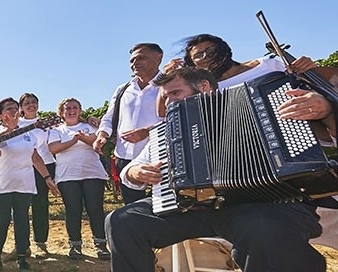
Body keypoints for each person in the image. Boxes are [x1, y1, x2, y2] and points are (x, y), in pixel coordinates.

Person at [105, 67, 332, 271]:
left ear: (203, 87)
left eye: (175, 93)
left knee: (263, 228)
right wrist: (134, 172)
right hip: (193, 208)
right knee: (122, 221)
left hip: (268, 203)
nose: (169, 103)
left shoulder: (270, 100)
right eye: (165, 98)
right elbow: (133, 168)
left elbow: (326, 142)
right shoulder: (166, 131)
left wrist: (328, 111)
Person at [157, 33, 319, 116]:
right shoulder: (205, 89)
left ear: (225, 49)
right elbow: (163, 113)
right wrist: (167, 79)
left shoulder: (267, 64)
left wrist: (309, 69)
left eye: (211, 50)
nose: (207, 57)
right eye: (198, 55)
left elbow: (306, 86)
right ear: (193, 64)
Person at [0, 97, 59, 272]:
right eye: (9, 109)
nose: (14, 111)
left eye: (15, 108)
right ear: (0, 115)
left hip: (24, 184)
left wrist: (47, 178)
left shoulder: (28, 134)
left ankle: (21, 258)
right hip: (1, 185)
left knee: (22, 220)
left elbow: (35, 157)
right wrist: (8, 130)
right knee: (2, 221)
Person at [93, 43, 165, 205]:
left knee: (164, 204)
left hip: (159, 157)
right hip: (124, 158)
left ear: (158, 57)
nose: (135, 63)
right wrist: (102, 135)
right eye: (132, 60)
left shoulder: (168, 85)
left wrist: (148, 131)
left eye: (141, 58)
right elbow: (109, 117)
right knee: (133, 208)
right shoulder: (122, 89)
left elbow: (177, 118)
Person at [48, 98, 111, 261]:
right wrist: (74, 140)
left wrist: (83, 138)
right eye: (67, 108)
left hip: (93, 173)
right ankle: (75, 246)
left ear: (80, 110)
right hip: (67, 176)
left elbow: (97, 141)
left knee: (95, 209)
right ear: (61, 113)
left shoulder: (90, 126)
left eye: (74, 107)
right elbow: (53, 148)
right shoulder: (57, 130)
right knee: (73, 210)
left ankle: (101, 245)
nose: (71, 110)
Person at [18, 92, 57, 258]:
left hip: (44, 166)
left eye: (34, 102)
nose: (31, 105)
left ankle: (41, 243)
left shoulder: (46, 122)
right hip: (22, 166)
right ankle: (22, 245)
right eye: (27, 103)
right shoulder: (16, 124)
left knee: (41, 204)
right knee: (21, 207)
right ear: (21, 107)